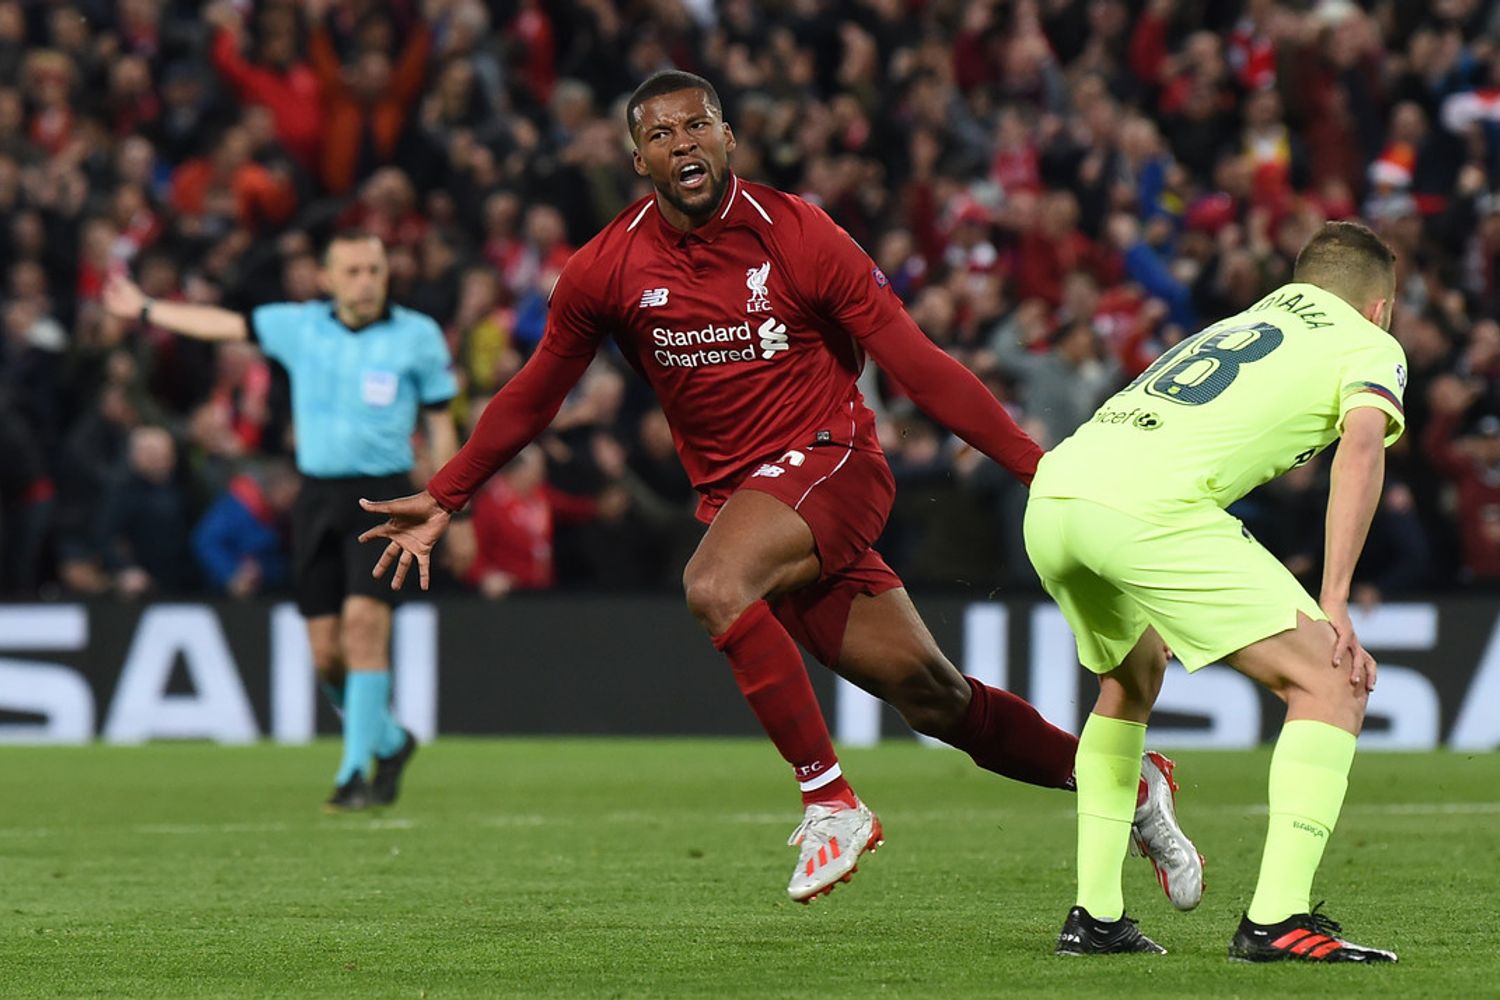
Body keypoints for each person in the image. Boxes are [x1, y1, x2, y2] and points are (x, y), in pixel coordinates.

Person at [360, 70, 1201, 905]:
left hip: (833, 462)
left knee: (713, 583)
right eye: (661, 134)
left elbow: (917, 364)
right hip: (751, 508)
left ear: (728, 138)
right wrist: (448, 492)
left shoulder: (799, 234)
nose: (683, 143)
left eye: (697, 125)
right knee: (936, 699)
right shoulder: (606, 267)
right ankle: (1129, 787)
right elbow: (537, 389)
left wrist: (1035, 468)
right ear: (639, 160)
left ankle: (830, 801)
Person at [1025, 220, 1404, 961]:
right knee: (1333, 680)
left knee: (1129, 680)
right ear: (1379, 307)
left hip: (1056, 492)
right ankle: (1277, 921)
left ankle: (1095, 918)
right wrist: (1333, 599)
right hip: (1145, 509)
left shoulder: (1247, 318)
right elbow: (1362, 448)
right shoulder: (1368, 342)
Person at [102, 229, 460, 811]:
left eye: (374, 270)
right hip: (317, 496)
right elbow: (220, 324)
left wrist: (449, 505)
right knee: (326, 654)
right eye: (352, 271)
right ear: (326, 279)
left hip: (386, 496)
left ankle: (353, 775)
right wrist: (145, 308)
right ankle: (391, 742)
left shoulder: (417, 335)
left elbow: (441, 424)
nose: (366, 282)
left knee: (364, 625)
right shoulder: (300, 326)